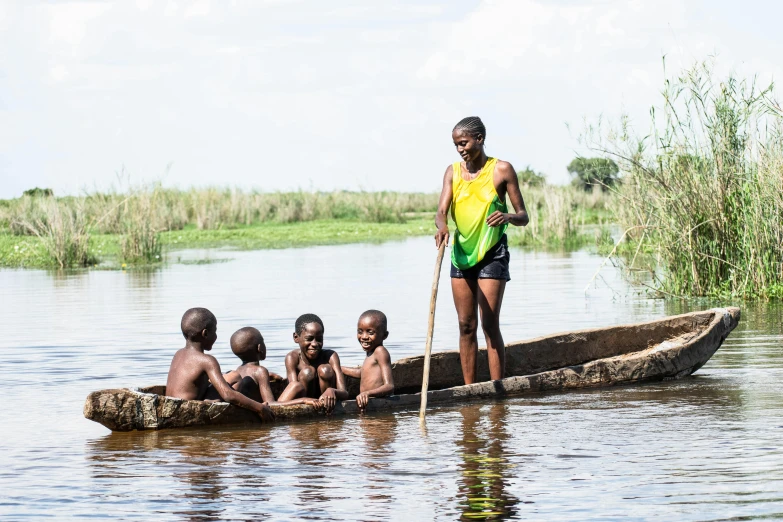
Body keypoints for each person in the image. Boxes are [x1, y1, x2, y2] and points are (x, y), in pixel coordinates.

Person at [434, 116, 529, 384]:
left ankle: (497, 391)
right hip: (461, 255)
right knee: (466, 326)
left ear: (480, 139)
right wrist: (442, 227)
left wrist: (508, 217)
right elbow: (441, 212)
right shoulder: (452, 172)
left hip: (492, 253)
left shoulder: (501, 170)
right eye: (456, 145)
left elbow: (523, 216)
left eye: (463, 143)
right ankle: (470, 391)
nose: (460, 149)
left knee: (488, 325)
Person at [165, 307, 274, 421]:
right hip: (188, 411)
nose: (216, 336)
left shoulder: (178, 354)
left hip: (171, 407)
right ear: (205, 333)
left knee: (231, 375)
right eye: (215, 331)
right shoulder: (207, 360)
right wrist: (260, 408)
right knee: (235, 377)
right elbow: (228, 395)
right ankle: (229, 413)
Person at [223, 326, 320, 407]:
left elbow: (251, 380)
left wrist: (269, 375)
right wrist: (303, 400)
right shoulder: (260, 371)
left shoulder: (239, 369)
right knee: (296, 386)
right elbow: (271, 404)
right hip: (265, 408)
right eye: (263, 342)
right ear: (259, 348)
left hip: (250, 405)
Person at [277, 313, 349, 412]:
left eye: (319, 339)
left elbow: (344, 393)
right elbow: (294, 389)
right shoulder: (292, 358)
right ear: (296, 337)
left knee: (325, 369)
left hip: (327, 404)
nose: (314, 344)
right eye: (309, 339)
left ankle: (326, 410)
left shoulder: (331, 356)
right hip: (304, 404)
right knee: (308, 372)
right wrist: (305, 400)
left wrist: (331, 391)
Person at [341, 310, 395, 411]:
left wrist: (367, 393)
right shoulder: (371, 352)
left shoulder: (380, 351)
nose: (364, 337)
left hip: (377, 405)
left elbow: (389, 386)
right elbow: (364, 373)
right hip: (367, 402)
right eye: (360, 332)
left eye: (370, 332)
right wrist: (340, 368)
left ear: (384, 335)